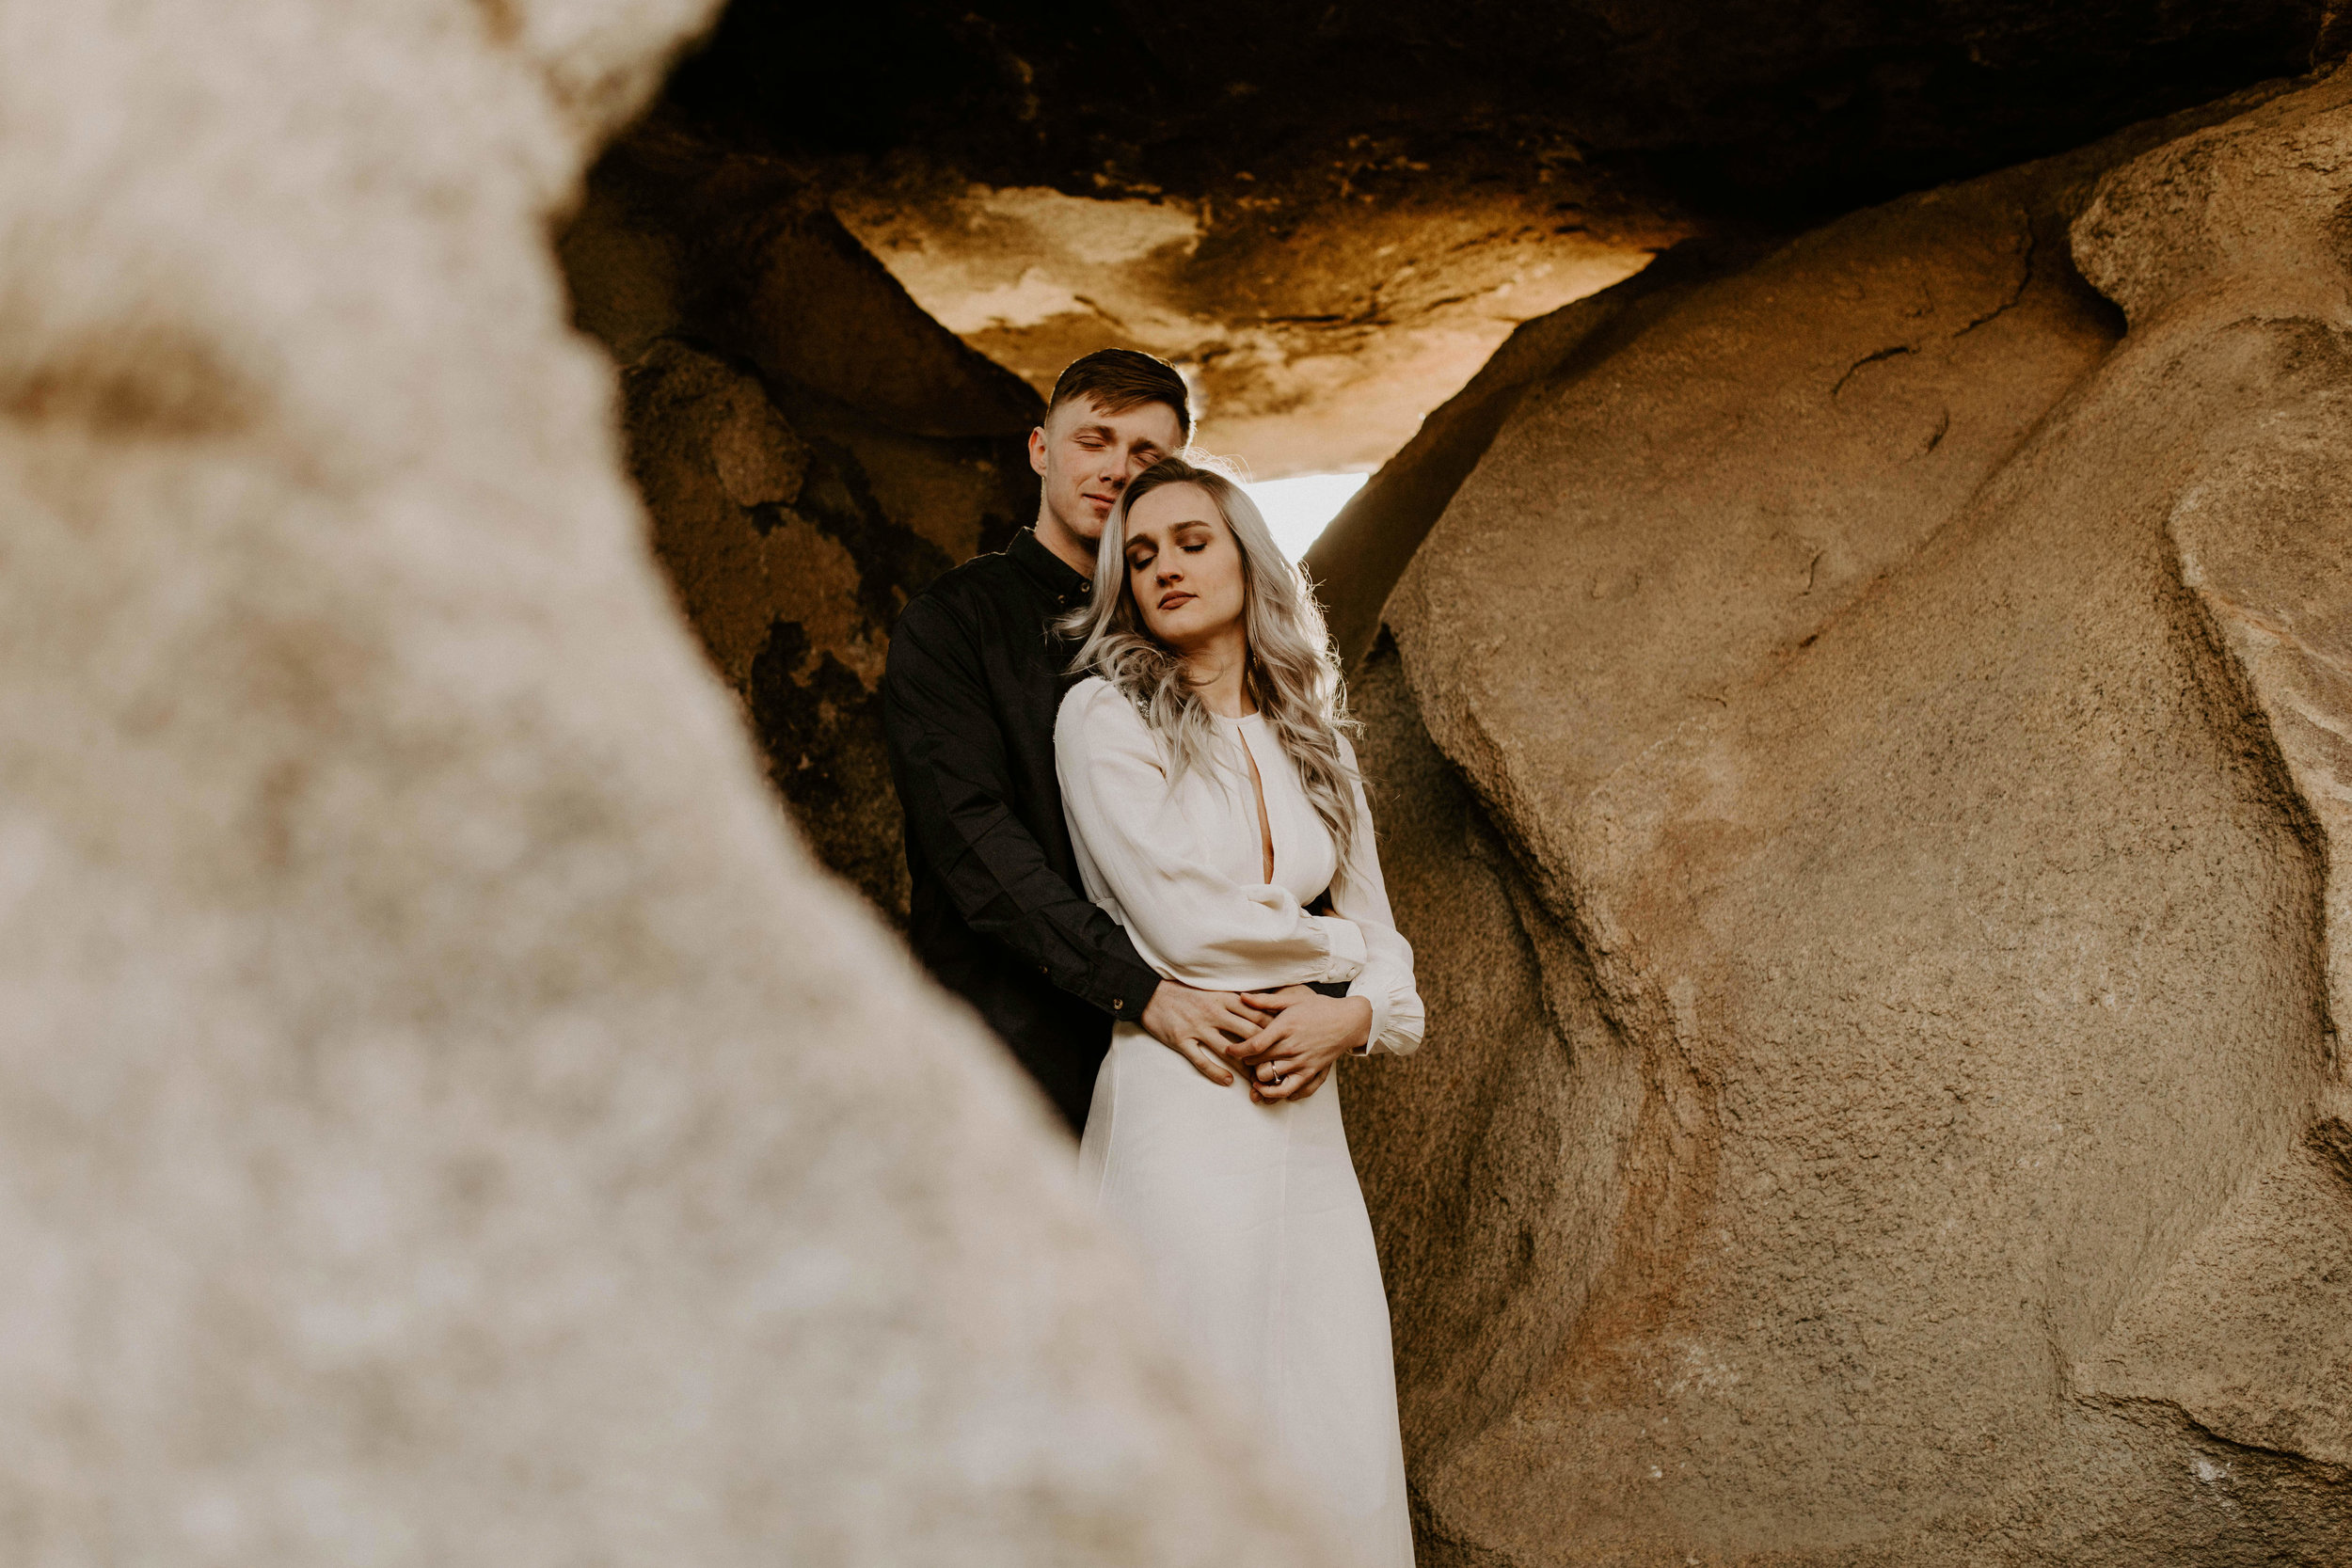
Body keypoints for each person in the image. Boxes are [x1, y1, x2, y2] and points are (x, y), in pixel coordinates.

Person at [1055, 454, 1422, 1566]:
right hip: (1185, 1095)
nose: (1165, 565)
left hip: (1305, 1118)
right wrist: (1344, 957)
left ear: (1246, 557)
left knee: (1335, 1423)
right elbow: (1186, 926)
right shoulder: (1102, 716)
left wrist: (1348, 1019)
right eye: (1142, 555)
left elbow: (1394, 954)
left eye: (1191, 541)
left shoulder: (1318, 740)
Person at [881, 350, 1277, 1133]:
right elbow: (972, 839)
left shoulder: (1186, 627)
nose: (1114, 469)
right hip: (1007, 1054)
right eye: (1093, 440)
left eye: (1145, 453)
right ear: (1039, 449)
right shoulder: (953, 622)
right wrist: (1140, 989)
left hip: (1189, 1064)